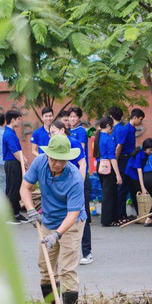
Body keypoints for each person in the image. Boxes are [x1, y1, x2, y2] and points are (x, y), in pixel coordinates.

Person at [21, 135, 87, 304]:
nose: (57, 163)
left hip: (71, 223)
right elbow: (25, 188)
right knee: (45, 268)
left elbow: (73, 214)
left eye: (62, 160)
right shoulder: (39, 162)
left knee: (67, 269)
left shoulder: (74, 178)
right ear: (48, 155)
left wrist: (57, 235)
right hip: (48, 220)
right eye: (54, 159)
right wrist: (31, 209)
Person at [68, 107, 91, 263]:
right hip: (68, 179)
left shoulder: (80, 132)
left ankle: (87, 252)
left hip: (80, 178)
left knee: (82, 214)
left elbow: (80, 155)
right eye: (70, 117)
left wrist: (80, 180)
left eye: (74, 117)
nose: (72, 119)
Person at [114, 108, 145, 222]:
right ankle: (121, 215)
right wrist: (116, 162)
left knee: (130, 186)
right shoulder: (126, 129)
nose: (140, 122)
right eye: (140, 119)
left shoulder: (131, 129)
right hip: (124, 159)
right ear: (135, 117)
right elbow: (119, 146)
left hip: (130, 158)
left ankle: (137, 213)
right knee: (122, 187)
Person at [94, 116, 122, 227]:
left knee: (106, 192)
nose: (112, 129)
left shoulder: (98, 137)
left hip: (100, 165)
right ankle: (108, 219)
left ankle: (107, 219)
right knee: (109, 194)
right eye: (112, 126)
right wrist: (118, 174)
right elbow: (112, 157)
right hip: (108, 167)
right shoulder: (108, 138)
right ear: (108, 126)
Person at [3, 109, 28, 224]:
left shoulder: (11, 132)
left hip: (15, 162)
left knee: (16, 187)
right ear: (13, 120)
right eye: (18, 119)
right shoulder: (8, 133)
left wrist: (23, 160)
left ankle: (16, 213)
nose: (19, 121)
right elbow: (15, 152)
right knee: (12, 189)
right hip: (12, 163)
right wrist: (24, 161)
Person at [129, 138, 152, 226]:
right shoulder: (139, 155)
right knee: (137, 193)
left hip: (140, 173)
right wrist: (143, 188)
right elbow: (139, 172)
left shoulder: (146, 154)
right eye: (150, 150)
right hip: (133, 174)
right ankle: (140, 215)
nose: (151, 152)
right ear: (145, 149)